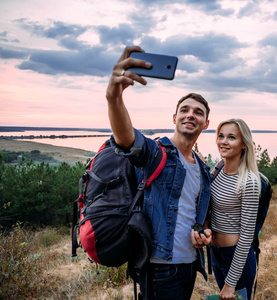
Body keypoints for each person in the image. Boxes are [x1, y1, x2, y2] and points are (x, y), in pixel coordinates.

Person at [106, 45, 212, 299]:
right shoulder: (157, 152)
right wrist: (114, 97)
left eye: (198, 112)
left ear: (206, 124)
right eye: (185, 110)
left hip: (189, 265)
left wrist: (204, 233)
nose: (190, 115)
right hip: (159, 267)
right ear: (174, 117)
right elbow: (126, 139)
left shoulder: (202, 167)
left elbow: (192, 212)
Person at [209, 118, 261, 300]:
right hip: (215, 253)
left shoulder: (249, 182)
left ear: (244, 144)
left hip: (236, 257)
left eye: (231, 137)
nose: (224, 141)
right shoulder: (217, 171)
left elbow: (247, 236)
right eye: (221, 136)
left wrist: (230, 284)